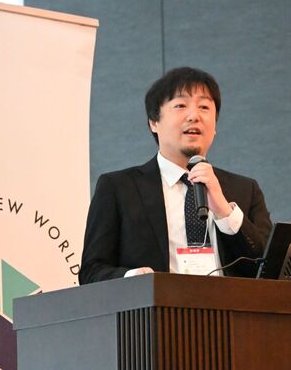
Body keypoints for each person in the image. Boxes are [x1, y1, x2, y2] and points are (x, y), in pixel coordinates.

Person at [79, 67, 272, 284]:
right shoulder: (119, 188)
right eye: (180, 105)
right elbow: (91, 271)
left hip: (228, 306)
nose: (194, 116)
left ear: (215, 126)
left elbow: (268, 269)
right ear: (154, 122)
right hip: (155, 304)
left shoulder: (246, 190)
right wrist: (134, 280)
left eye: (204, 107)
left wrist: (224, 211)